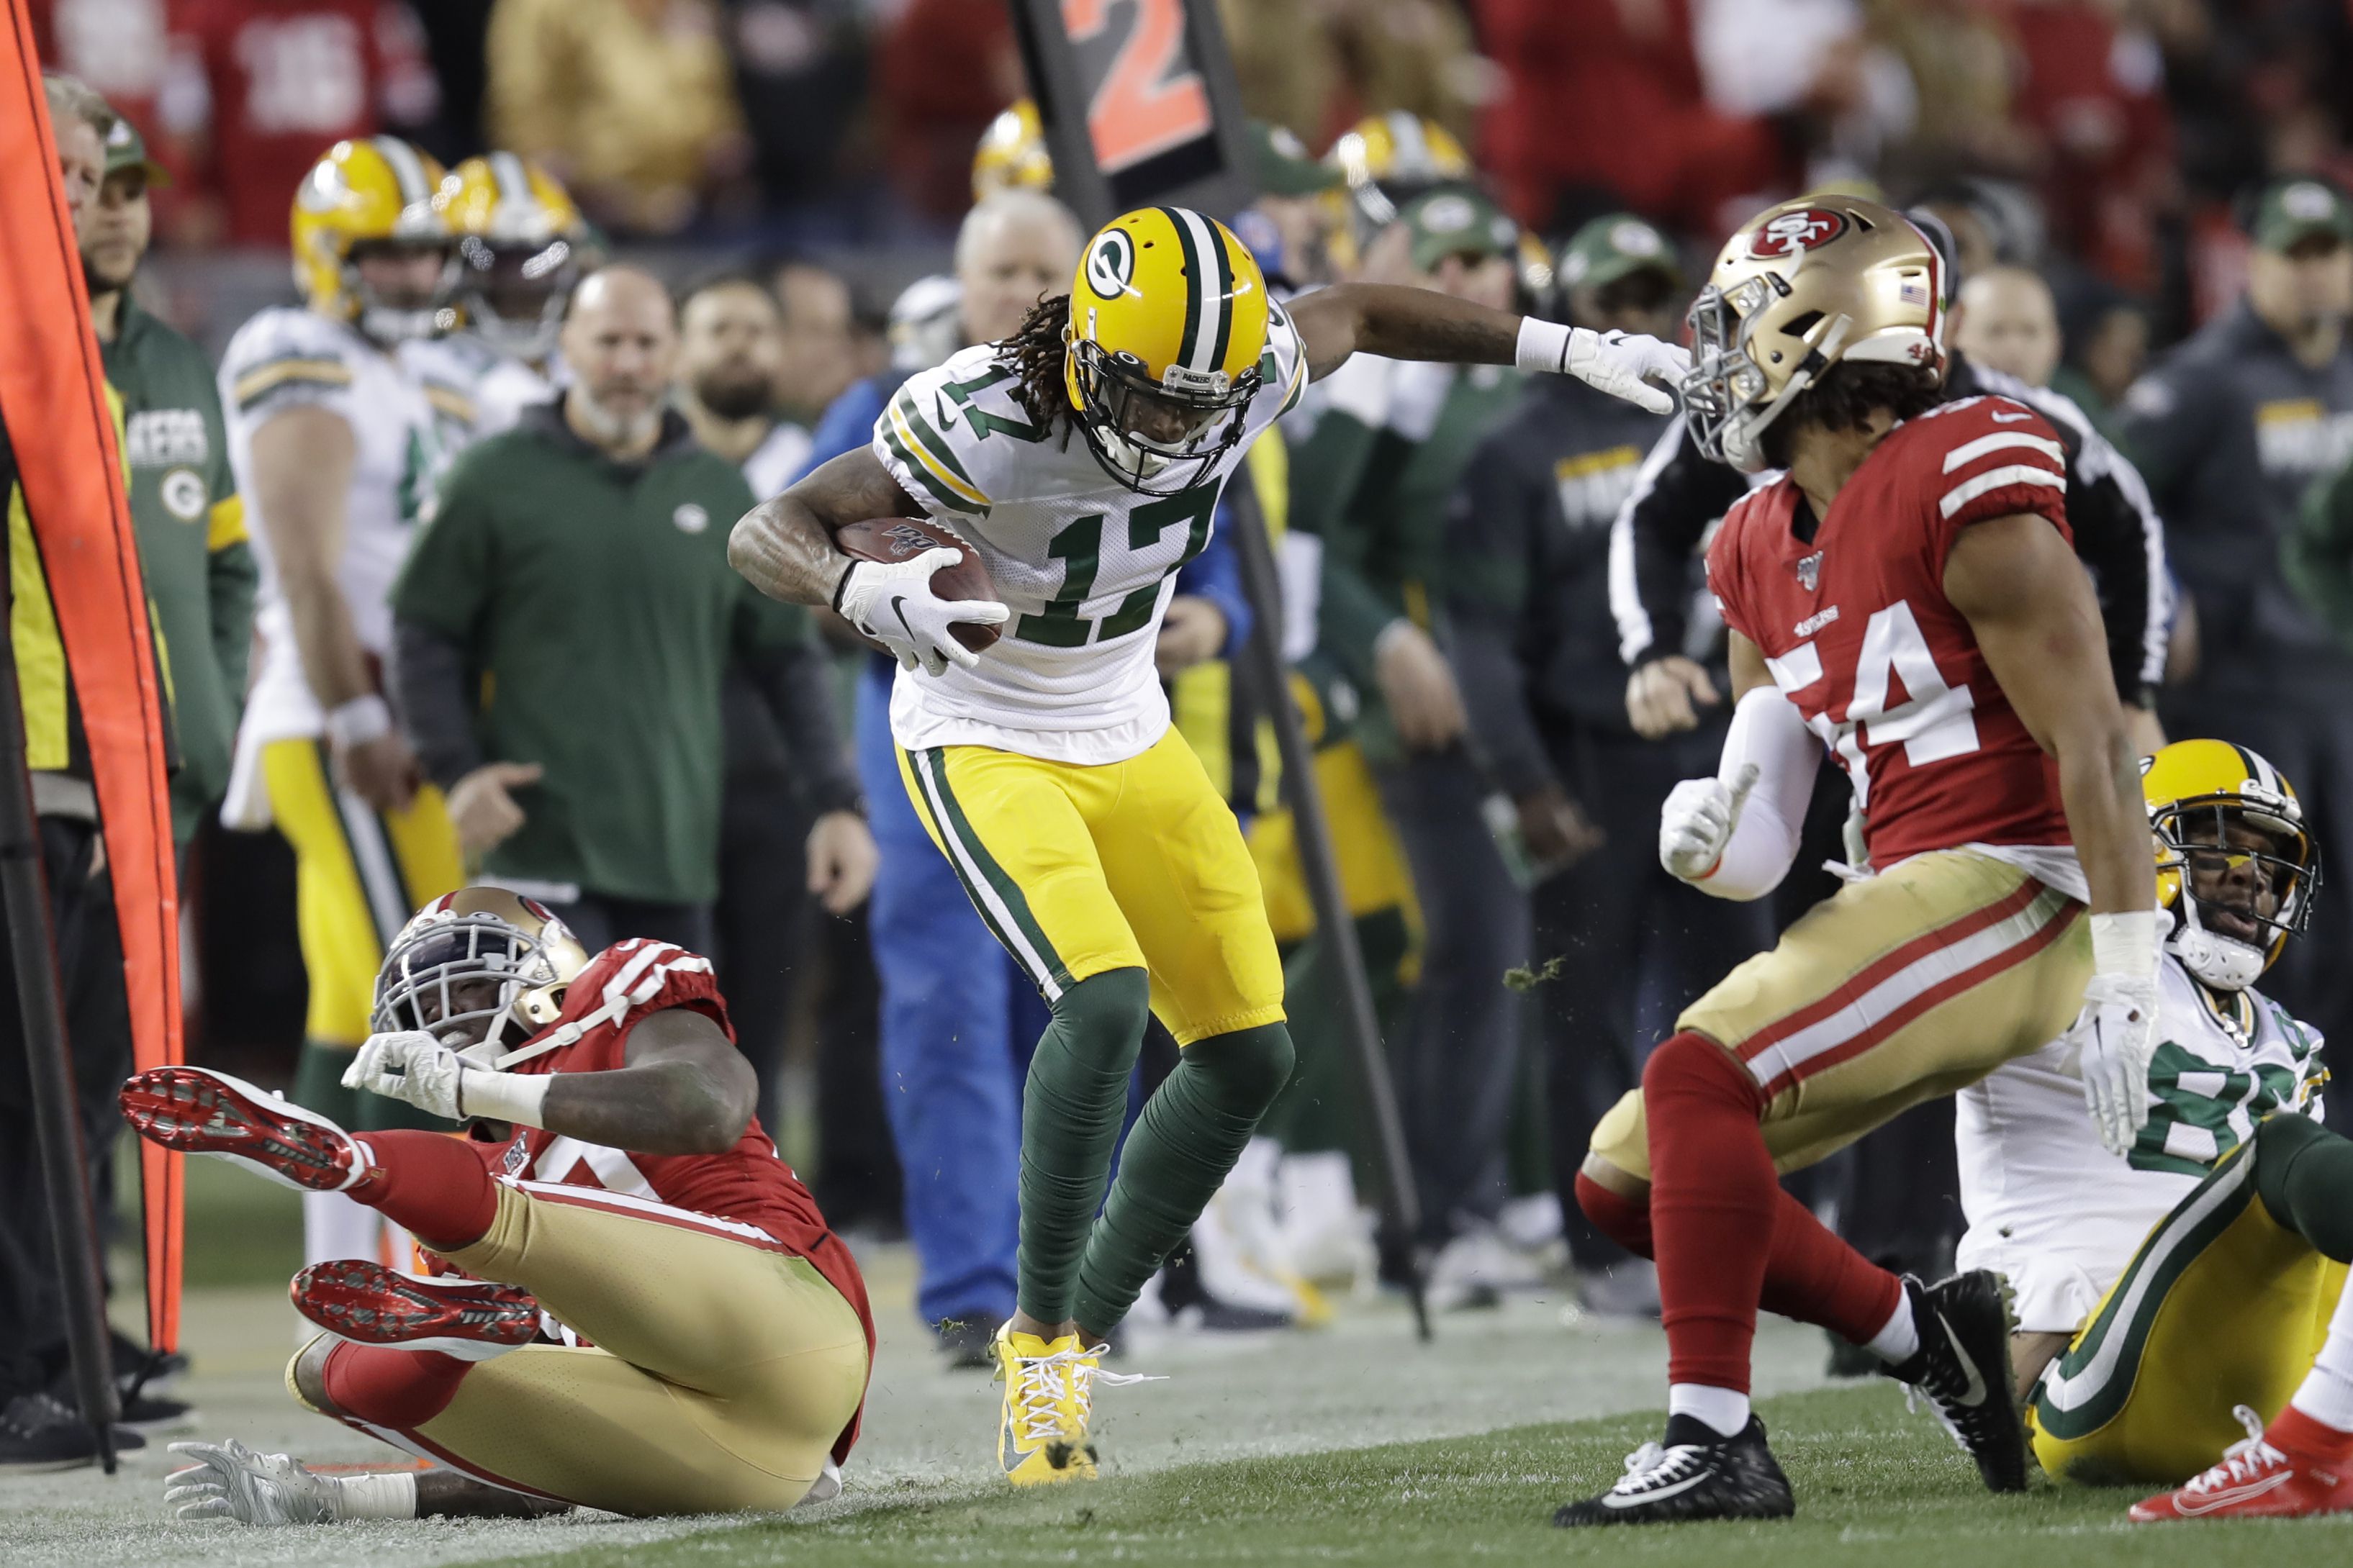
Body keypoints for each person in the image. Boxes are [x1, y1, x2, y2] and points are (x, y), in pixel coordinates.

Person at [728, 201, 1687, 1482]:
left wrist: (1568, 349)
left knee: (1247, 1052)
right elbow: (766, 529)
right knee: (1106, 999)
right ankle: (1033, 1350)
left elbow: (1363, 308)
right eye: (1152, 398)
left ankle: (1073, 1324)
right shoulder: (973, 410)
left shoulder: (1237, 372)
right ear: (1078, 350)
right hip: (982, 725)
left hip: (1129, 719)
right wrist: (856, 587)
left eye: (1202, 402)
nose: (1178, 426)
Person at [1557, 196, 2156, 1526]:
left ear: (1807, 334)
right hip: (1903, 885)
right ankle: (1918, 1337)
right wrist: (1709, 833)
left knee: (1692, 1072)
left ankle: (1712, 1436)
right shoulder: (1749, 538)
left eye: (1728, 326)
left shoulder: (1966, 471)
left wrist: (2128, 966)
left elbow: (2095, 744)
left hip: (2023, 881)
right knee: (1623, 1180)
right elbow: (1766, 821)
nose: (1707, 357)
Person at [122, 888, 872, 1519]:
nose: (448, 1027)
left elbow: (710, 1107)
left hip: (789, 1322)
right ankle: (458, 1332)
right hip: (745, 1465)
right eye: (427, 1017)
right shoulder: (460, 1187)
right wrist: (335, 1497)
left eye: (472, 992)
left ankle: (350, 1161)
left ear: (544, 969)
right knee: (324, 1367)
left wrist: (471, 1088)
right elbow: (541, 1467)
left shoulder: (614, 997)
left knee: (504, 1216)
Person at [1447, 212, 1769, 1318]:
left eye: (1646, 291)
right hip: (1586, 765)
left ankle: (1743, 1220)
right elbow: (1479, 636)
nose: (1628, 315)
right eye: (1606, 295)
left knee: (1745, 1001)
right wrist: (1523, 779)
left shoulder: (1724, 427)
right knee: (1579, 1015)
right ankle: (1600, 1245)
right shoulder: (1511, 448)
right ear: (1568, 307)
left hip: (1725, 751)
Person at [389, 266, 872, 959]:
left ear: (673, 353)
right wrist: (456, 768)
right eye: (608, 341)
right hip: (535, 855)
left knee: (679, 1062)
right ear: (569, 347)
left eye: (646, 344)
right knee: (550, 1064)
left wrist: (836, 804)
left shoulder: (718, 488)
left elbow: (786, 659)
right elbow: (424, 633)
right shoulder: (492, 477)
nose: (627, 364)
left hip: (675, 858)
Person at [800, 191, 1081, 1368]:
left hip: (1077, 722)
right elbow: (800, 564)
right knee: (948, 1005)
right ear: (960, 285)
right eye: (997, 270)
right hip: (918, 717)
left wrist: (1203, 625)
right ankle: (974, 1288)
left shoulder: (1127, 397)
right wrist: (889, 602)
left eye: (1039, 270)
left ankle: (1072, 1270)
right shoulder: (885, 407)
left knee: (1078, 995)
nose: (1018, 292)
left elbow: (1210, 559)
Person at [1943, 740, 2350, 1522]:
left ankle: (2319, 1434)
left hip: (2248, 1379)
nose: (2250, 875)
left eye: (2270, 863)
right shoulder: (2067, 961)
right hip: (2086, 1381)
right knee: (2282, 1152)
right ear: (2141, 845)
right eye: (2221, 843)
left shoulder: (2288, 1039)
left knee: (2311, 1202)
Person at [218, 137, 485, 1273]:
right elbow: (310, 561)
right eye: (389, 256)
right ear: (330, 257)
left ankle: (340, 1273)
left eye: (428, 257)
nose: (416, 279)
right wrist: (360, 714)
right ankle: (427, 1279)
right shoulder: (297, 350)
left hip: (388, 707)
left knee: (355, 998)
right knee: (429, 1000)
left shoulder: (408, 370)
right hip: (348, 713)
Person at [0, 71, 163, 1471]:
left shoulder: (65, 342)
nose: (76, 194)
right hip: (23, 759)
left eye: (90, 173)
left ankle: (57, 1341)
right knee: (13, 1084)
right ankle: (22, 1366)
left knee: (58, 1083)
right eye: (54, 167)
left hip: (71, 756)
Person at [2118, 176, 2353, 1080]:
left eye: (2325, 252)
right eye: (2289, 256)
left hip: (2336, 678)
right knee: (2268, 917)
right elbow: (2110, 504)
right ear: (2249, 263)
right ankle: (2258, 1100)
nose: (2308, 275)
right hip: (2244, 688)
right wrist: (2167, 603)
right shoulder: (2198, 382)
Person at [87, 111, 256, 849]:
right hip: (61, 780)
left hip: (179, 775)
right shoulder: (21, 368)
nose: (120, 212)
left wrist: (214, 713)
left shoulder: (183, 365)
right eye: (97, 188)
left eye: (133, 190)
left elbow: (229, 562)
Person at [441, 152, 587, 434]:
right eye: (500, 262)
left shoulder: (579, 365)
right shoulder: (428, 371)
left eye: (534, 258)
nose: (522, 279)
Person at [1954, 265, 2063, 389]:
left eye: (2030, 332)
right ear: (1955, 337)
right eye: (1996, 331)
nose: (2014, 349)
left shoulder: (2067, 407)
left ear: (2056, 342)